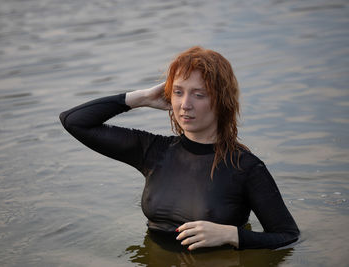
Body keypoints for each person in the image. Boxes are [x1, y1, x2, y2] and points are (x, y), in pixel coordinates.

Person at [59, 46, 300, 250]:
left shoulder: (246, 167)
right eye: (178, 92)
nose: (185, 105)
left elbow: (288, 236)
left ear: (222, 101)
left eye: (199, 94)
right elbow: (74, 121)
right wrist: (141, 98)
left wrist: (231, 235)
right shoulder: (153, 151)